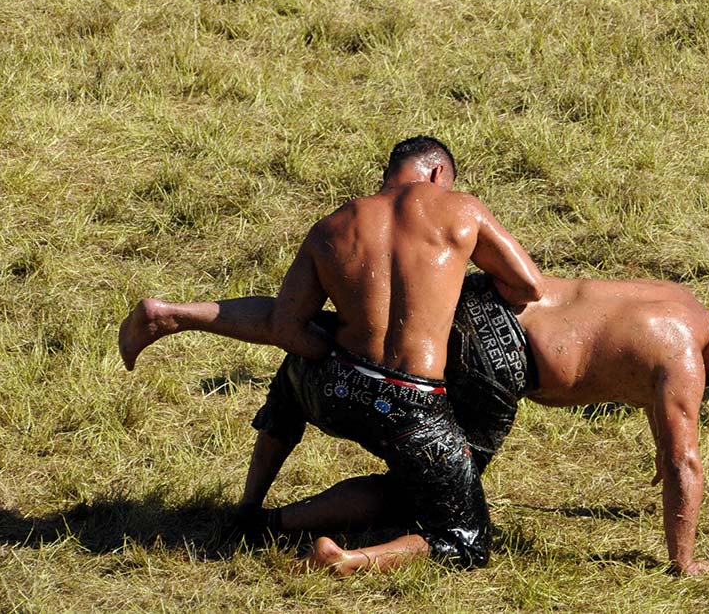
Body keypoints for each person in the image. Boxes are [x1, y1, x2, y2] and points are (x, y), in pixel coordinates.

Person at [120, 274, 709, 576]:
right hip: (502, 356)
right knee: (435, 498)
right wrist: (684, 560)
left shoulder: (678, 298)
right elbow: (684, 460)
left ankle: (180, 314)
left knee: (325, 337)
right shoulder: (684, 358)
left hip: (481, 295)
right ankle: (310, 539)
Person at [121, 135, 544, 575]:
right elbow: (528, 285)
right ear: (439, 173)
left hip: (334, 388)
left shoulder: (333, 225)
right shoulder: (459, 207)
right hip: (412, 408)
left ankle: (250, 511)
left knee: (299, 363)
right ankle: (347, 560)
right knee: (466, 539)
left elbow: (284, 326)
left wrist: (326, 350)